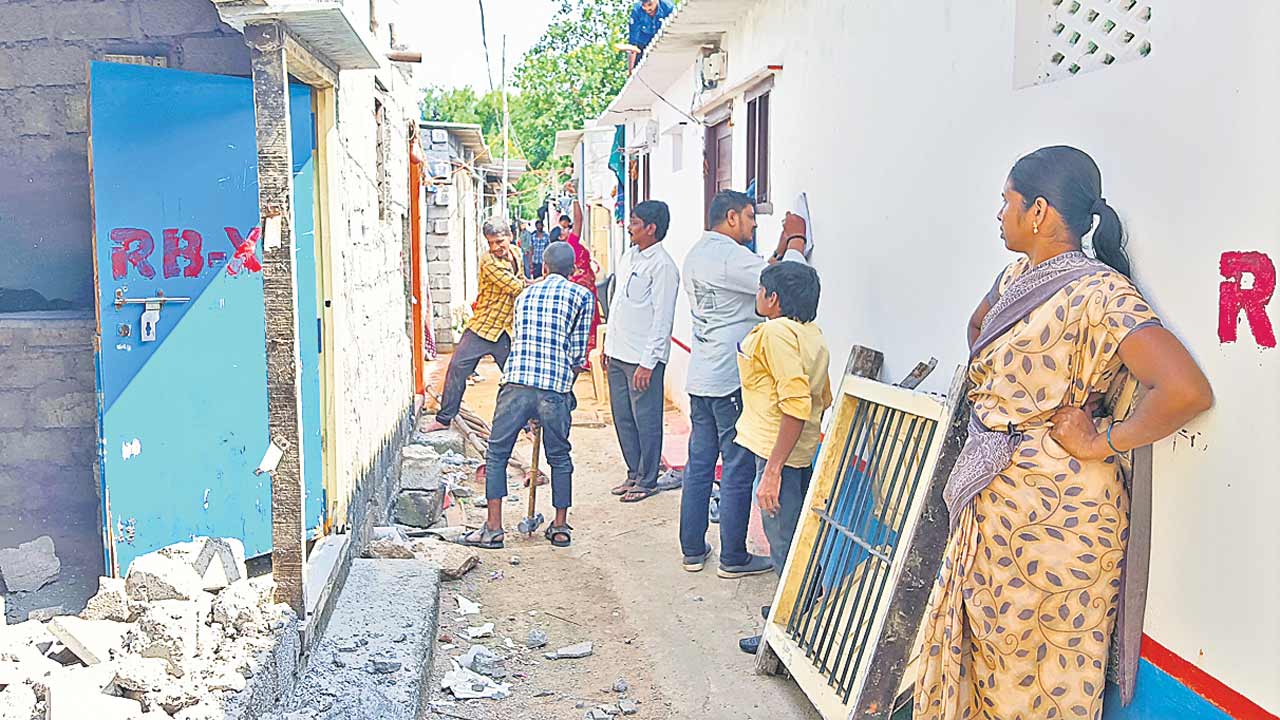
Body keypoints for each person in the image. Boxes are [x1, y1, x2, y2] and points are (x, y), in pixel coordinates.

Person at [913, 146, 1213, 719]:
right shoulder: (1016, 275)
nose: (998, 213)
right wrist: (1007, 398)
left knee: (1044, 675)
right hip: (999, 501)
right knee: (990, 661)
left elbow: (1186, 389)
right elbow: (979, 326)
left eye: (1007, 201)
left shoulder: (1101, 293)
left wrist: (1102, 439)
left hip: (1060, 521)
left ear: (1039, 212)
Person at [679, 189, 809, 578]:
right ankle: (733, 556)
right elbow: (782, 282)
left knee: (699, 464)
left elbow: (760, 270)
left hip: (701, 373)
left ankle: (692, 548)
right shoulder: (729, 257)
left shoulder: (698, 254)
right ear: (732, 217)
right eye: (751, 217)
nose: (754, 225)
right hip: (729, 379)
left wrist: (780, 245)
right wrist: (797, 243)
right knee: (736, 466)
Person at [458, 242, 594, 550]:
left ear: (543, 268)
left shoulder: (525, 295)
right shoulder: (582, 296)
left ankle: (493, 528)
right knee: (559, 456)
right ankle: (560, 527)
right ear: (572, 271)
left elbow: (521, 339)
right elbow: (576, 354)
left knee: (497, 454)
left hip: (516, 382)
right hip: (554, 388)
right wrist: (561, 390)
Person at [733, 261, 832, 654]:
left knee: (784, 544)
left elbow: (796, 403)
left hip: (778, 452)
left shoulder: (775, 333)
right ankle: (796, 607)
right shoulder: (812, 336)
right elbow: (820, 399)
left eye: (760, 289)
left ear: (772, 299)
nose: (757, 296)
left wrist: (773, 470)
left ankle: (786, 632)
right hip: (799, 451)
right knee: (794, 538)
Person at [604, 200, 680, 504]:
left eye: (635, 222)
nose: (629, 226)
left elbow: (663, 320)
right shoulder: (629, 258)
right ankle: (633, 472)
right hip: (618, 353)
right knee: (623, 417)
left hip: (641, 360)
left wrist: (649, 363)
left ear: (651, 228)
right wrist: (607, 345)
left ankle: (648, 480)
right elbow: (620, 306)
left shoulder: (663, 267)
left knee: (645, 419)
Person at [423, 219, 526, 433]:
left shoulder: (517, 253)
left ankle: (527, 423)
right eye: (491, 243)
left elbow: (522, 280)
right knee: (457, 369)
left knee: (516, 376)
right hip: (483, 326)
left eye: (500, 241)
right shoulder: (489, 262)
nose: (496, 247)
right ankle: (444, 419)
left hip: (505, 329)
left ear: (510, 237)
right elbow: (516, 287)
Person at [563, 213, 601, 368]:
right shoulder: (571, 243)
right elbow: (579, 219)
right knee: (588, 321)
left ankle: (585, 357)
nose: (567, 230)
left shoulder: (568, 248)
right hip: (584, 287)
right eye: (564, 229)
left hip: (582, 286)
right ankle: (588, 357)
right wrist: (575, 197)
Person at [626, 0, 674, 73]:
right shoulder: (637, 11)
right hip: (641, 45)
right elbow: (633, 44)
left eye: (650, 5)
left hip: (661, 43)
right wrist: (630, 71)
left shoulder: (668, 7)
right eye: (644, 6)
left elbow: (673, 32)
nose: (647, 9)